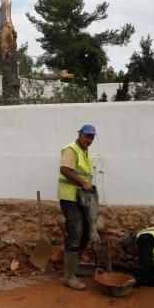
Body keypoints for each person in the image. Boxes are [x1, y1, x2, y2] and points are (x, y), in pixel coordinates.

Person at [58, 124, 97, 290]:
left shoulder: (86, 153)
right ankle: (69, 276)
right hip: (70, 198)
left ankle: (75, 267)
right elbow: (65, 170)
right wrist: (83, 183)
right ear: (80, 134)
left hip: (83, 199)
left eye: (92, 137)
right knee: (75, 232)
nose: (89, 140)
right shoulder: (71, 150)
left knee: (85, 233)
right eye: (87, 136)